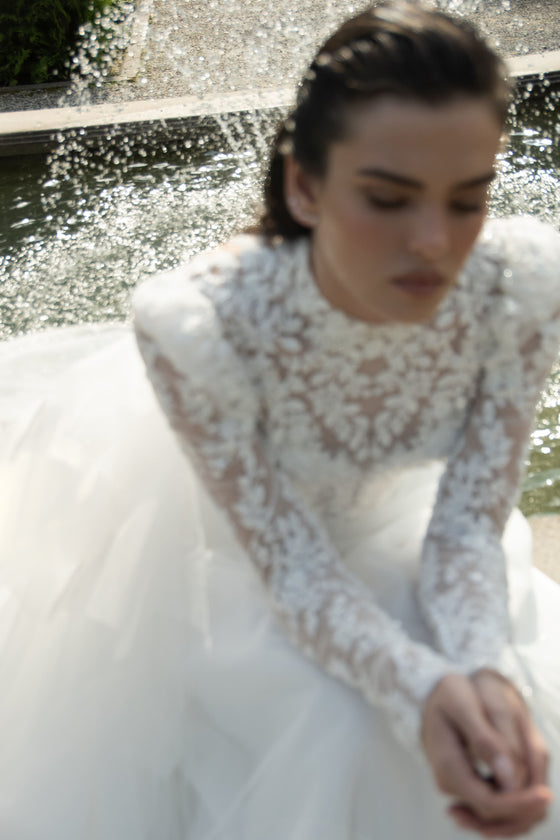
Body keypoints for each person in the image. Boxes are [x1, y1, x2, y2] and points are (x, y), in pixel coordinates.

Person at [0, 1, 560, 838]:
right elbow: (295, 571)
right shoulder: (197, 328)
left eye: (469, 196)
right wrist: (422, 692)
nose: (436, 244)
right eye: (388, 198)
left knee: (511, 684)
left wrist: (477, 674)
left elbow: (467, 527)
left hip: (417, 541)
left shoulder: (519, 280)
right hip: (256, 577)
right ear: (304, 183)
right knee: (334, 731)